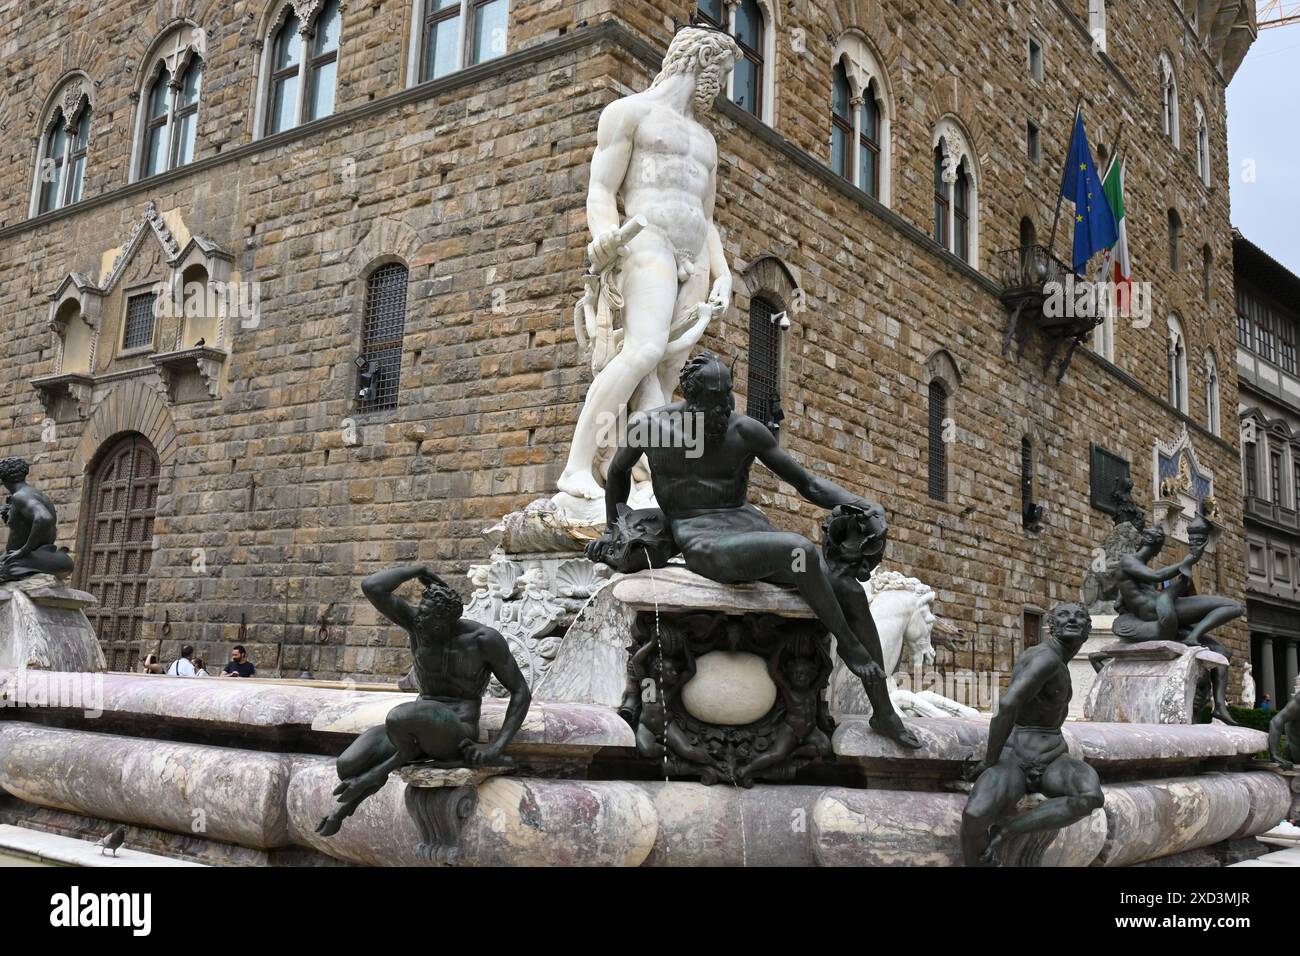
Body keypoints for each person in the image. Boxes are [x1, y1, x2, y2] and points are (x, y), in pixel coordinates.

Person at [592, 352, 920, 749]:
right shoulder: (649, 426)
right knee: (798, 549)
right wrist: (616, 530)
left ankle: (884, 712)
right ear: (691, 397)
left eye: (729, 394)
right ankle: (849, 646)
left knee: (849, 589)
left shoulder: (744, 430)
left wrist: (861, 504)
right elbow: (617, 475)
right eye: (716, 398)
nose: (727, 405)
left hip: (750, 532)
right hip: (702, 541)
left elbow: (809, 485)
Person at [556, 26, 740, 500]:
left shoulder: (706, 141)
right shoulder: (629, 113)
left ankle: (649, 482)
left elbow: (707, 215)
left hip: (694, 254)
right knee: (641, 350)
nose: (721, 86)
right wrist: (603, 237)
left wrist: (723, 274)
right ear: (700, 60)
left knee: (664, 374)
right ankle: (576, 466)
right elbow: (601, 189)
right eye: (720, 73)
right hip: (647, 241)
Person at [315, 566, 531, 837]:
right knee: (347, 765)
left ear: (446, 623)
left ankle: (367, 785)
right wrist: (418, 570)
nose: (418, 623)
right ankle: (376, 776)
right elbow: (372, 586)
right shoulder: (419, 624)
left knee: (399, 716)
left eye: (427, 619)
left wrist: (497, 747)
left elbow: (521, 692)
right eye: (420, 614)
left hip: (455, 730)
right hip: (414, 726)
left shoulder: (483, 640)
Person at [960, 603, 1104, 866]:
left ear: (1087, 632)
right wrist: (990, 761)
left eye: (1079, 616)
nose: (1072, 619)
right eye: (1063, 615)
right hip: (1015, 758)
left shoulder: (1058, 660)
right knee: (975, 814)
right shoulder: (1046, 658)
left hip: (1052, 760)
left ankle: (1008, 829)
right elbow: (1007, 706)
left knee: (1090, 796)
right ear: (1052, 626)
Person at [0, 457, 74, 582]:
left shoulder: (20, 496)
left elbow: (44, 518)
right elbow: (27, 526)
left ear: (3, 478)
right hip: (53, 557)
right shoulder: (35, 494)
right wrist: (9, 516)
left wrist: (24, 550)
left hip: (26, 559)